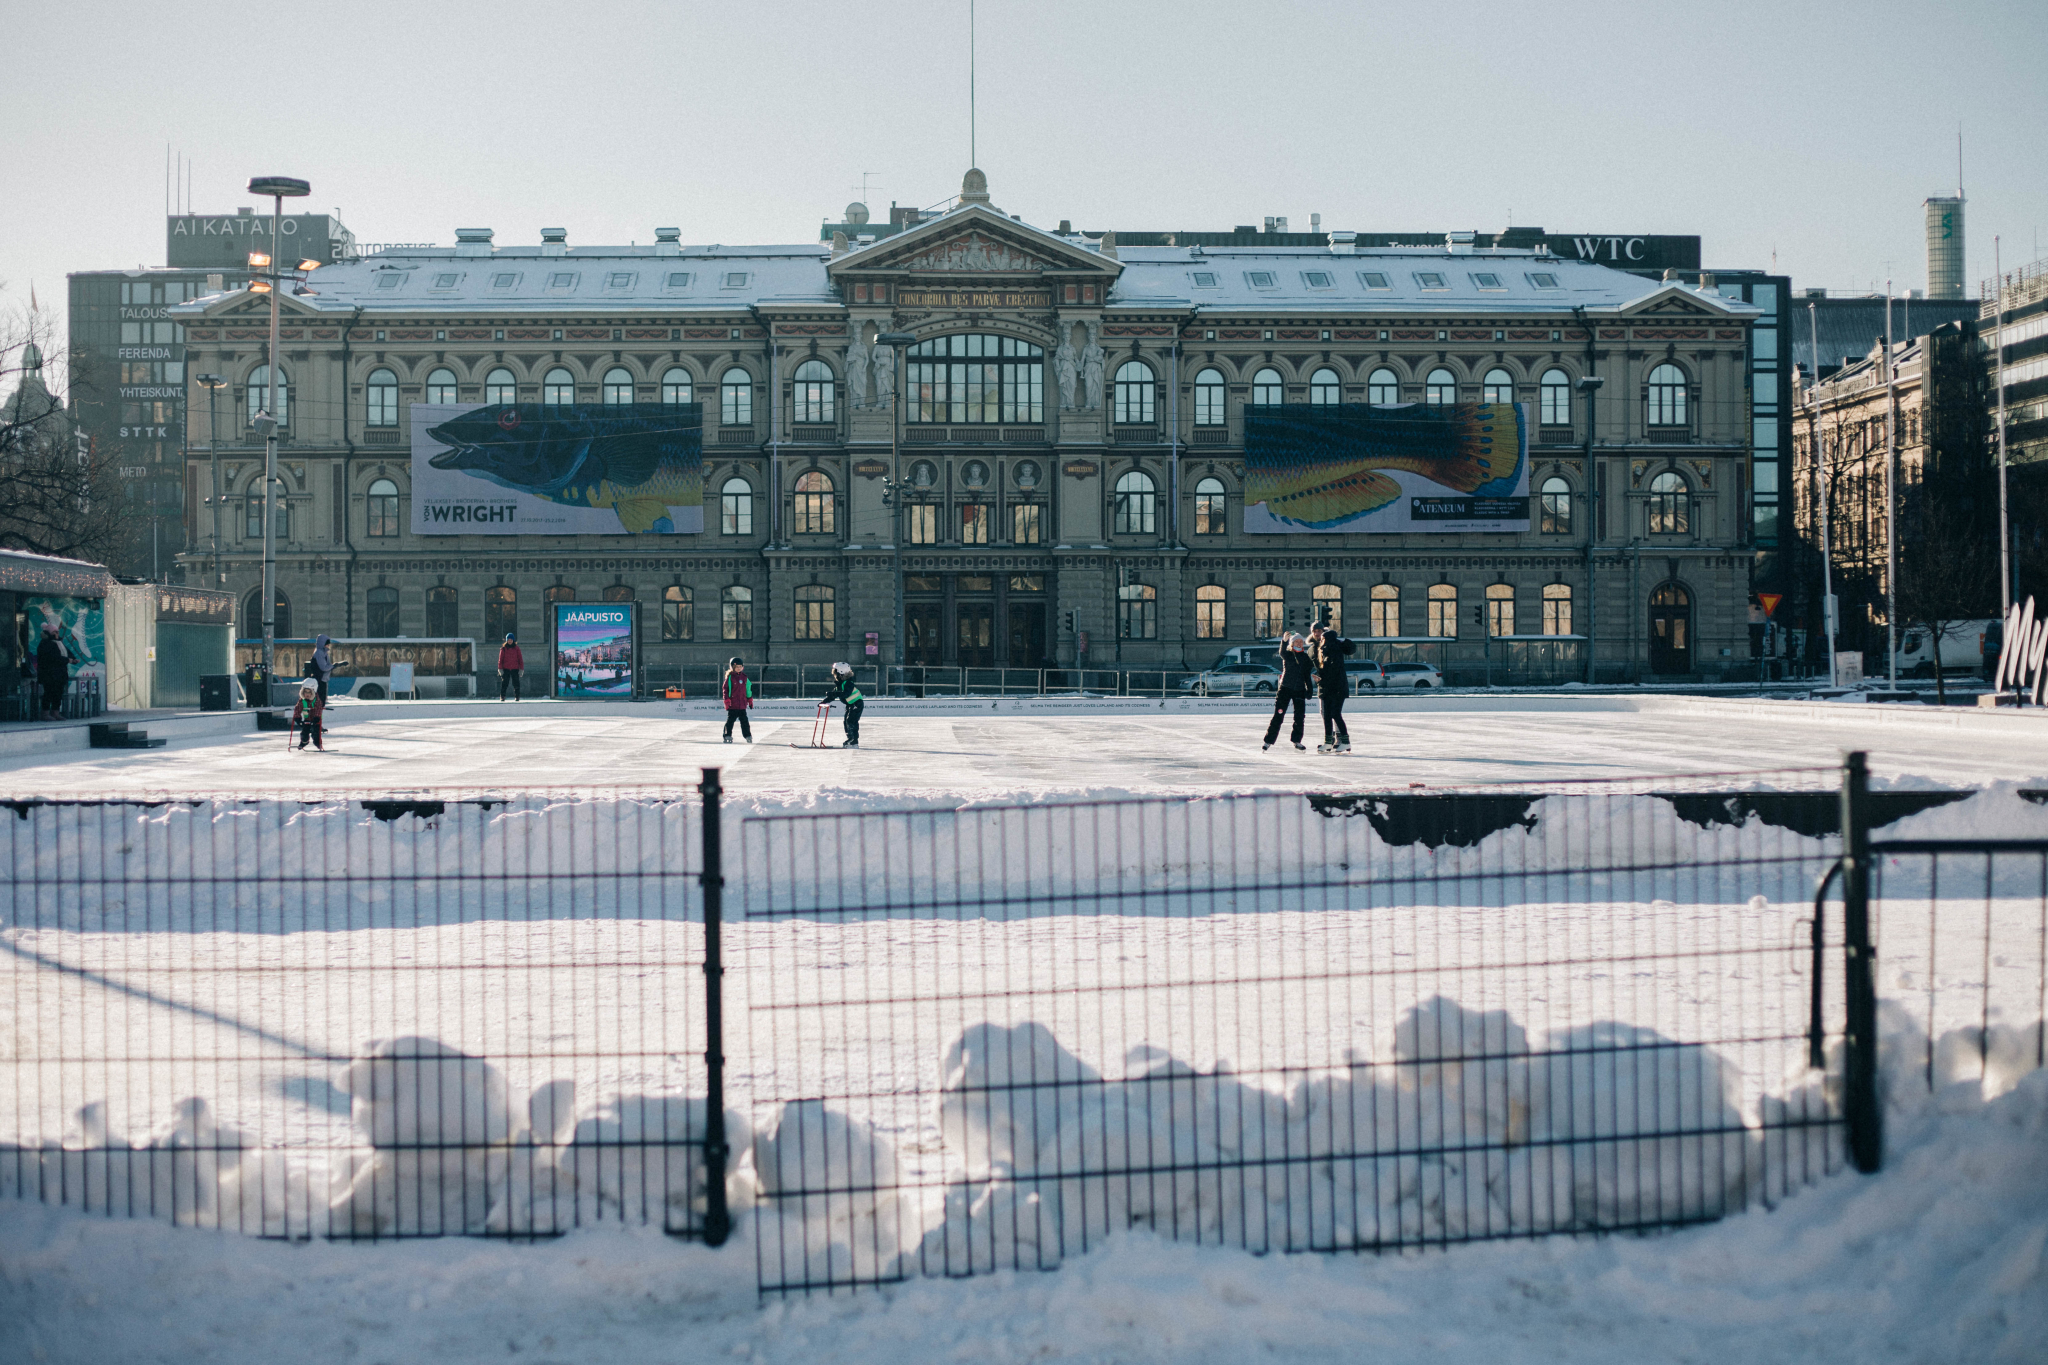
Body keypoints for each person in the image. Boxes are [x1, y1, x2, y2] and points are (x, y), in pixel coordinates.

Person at [1262, 634, 1314, 751]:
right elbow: (1282, 652)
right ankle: (1268, 741)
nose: (1299, 643)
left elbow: (1307, 675)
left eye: (1301, 641)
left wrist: (1309, 690)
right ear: (1292, 644)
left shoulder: (1305, 658)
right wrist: (1284, 641)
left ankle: (1297, 740)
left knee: (1299, 717)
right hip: (1285, 689)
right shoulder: (1288, 655)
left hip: (1299, 690)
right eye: (1297, 642)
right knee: (1279, 715)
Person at [1309, 623, 1354, 753]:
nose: (1317, 634)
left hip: (1336, 686)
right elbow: (1316, 667)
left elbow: (1349, 650)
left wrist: (1340, 641)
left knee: (1334, 713)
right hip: (1325, 686)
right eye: (1315, 631)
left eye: (1320, 632)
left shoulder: (1333, 648)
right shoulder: (1313, 649)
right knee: (1326, 714)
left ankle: (1343, 740)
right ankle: (1328, 741)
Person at [35, 622, 70, 722]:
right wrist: (67, 660)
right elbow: (54, 658)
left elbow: (67, 654)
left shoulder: (59, 643)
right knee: (48, 693)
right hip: (49, 674)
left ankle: (55, 712)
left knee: (58, 693)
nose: (57, 633)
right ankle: (45, 713)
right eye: (54, 632)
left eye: (57, 631)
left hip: (60, 673)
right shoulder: (45, 644)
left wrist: (72, 659)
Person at [828, 661, 864, 748]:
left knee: (851, 721)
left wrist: (835, 694)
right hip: (851, 705)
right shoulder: (840, 684)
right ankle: (850, 738)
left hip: (857, 704)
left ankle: (854, 740)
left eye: (835, 672)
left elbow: (846, 694)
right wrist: (825, 701)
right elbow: (834, 694)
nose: (834, 675)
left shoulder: (848, 683)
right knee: (846, 721)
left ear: (841, 673)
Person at [720, 656, 754, 744]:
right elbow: (725, 689)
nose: (739, 669)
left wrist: (749, 699)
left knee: (745, 721)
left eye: (740, 667)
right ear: (732, 667)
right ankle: (727, 735)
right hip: (733, 704)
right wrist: (726, 700)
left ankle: (747, 735)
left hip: (742, 704)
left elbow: (748, 689)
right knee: (730, 721)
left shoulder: (745, 677)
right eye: (736, 667)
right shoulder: (730, 678)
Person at [291, 680, 325, 751]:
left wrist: (316, 718)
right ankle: (304, 742)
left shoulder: (317, 700)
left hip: (316, 721)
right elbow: (297, 709)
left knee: (316, 733)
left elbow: (318, 709)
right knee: (304, 732)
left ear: (313, 692)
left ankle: (318, 743)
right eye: (305, 692)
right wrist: (297, 718)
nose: (307, 694)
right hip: (307, 720)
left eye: (309, 692)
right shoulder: (302, 700)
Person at [307, 634, 335, 710]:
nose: (328, 646)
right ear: (323, 644)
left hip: (322, 678)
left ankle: (318, 714)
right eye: (327, 644)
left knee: (321, 699)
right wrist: (334, 666)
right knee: (320, 698)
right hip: (320, 678)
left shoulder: (323, 652)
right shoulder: (319, 653)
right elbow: (324, 667)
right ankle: (317, 716)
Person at [497, 633, 524, 701]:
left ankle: (517, 696)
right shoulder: (503, 649)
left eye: (511, 640)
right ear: (506, 640)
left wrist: (521, 669)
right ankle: (502, 696)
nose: (509, 641)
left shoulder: (517, 648)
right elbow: (500, 660)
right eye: (508, 640)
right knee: (504, 683)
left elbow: (520, 659)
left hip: (515, 668)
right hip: (506, 668)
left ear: (513, 640)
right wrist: (500, 669)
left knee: (516, 683)